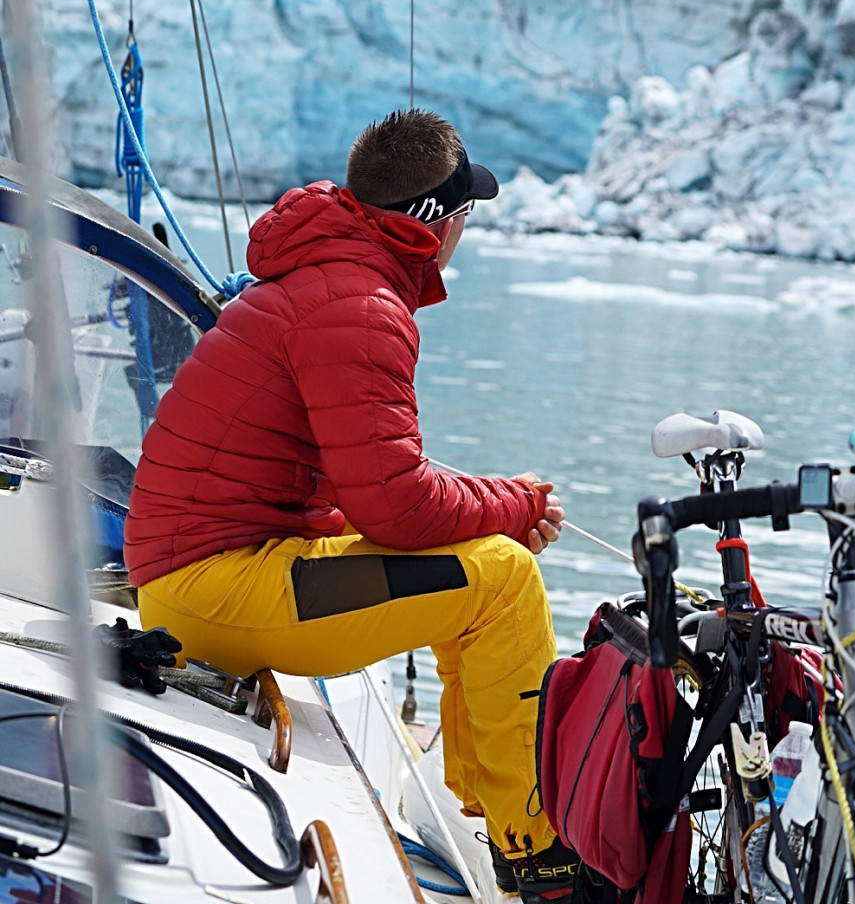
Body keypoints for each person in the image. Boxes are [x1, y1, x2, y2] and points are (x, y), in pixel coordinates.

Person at [124, 108, 579, 902]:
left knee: (475, 568)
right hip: (215, 587)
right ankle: (538, 853)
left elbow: (369, 492)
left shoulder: (324, 279)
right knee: (500, 579)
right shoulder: (359, 308)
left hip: (200, 573)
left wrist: (493, 504)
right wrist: (511, 506)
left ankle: (496, 811)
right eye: (466, 211)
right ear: (435, 223)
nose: (467, 228)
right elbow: (399, 508)